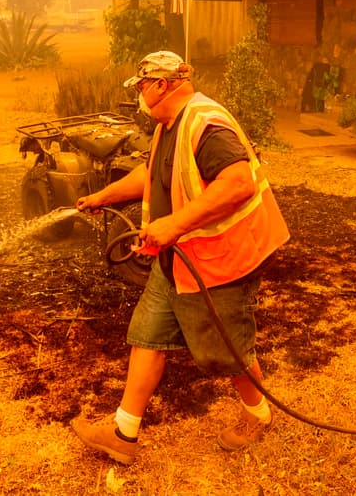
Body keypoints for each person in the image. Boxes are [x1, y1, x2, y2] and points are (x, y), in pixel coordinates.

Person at [71, 50, 290, 465]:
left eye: (140, 87)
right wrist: (103, 196)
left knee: (226, 352)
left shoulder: (205, 123)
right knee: (147, 336)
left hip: (222, 259)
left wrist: (174, 225)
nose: (137, 95)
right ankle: (124, 432)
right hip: (178, 259)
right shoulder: (169, 124)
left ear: (160, 85)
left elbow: (238, 182)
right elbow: (151, 173)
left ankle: (258, 415)